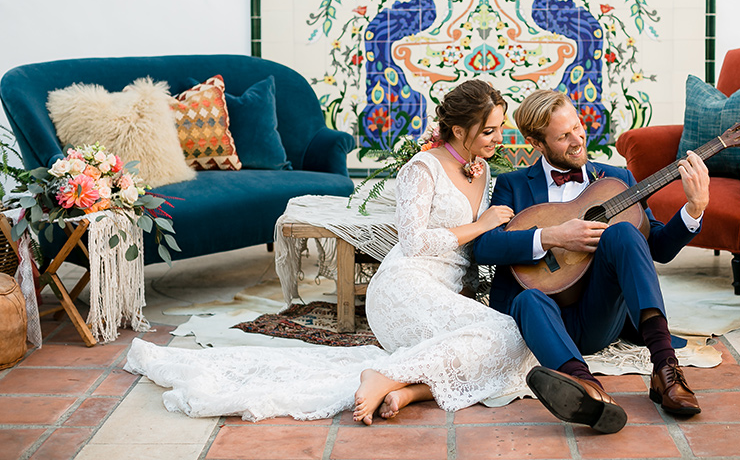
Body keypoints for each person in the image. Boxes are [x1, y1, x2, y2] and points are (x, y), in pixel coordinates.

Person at [125, 80, 537, 424]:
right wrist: (480, 225)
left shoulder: (481, 171)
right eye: (490, 131)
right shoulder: (421, 168)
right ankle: (390, 374)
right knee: (504, 335)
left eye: (499, 129)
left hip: (446, 291)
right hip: (405, 287)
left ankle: (404, 389)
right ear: (460, 130)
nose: (499, 139)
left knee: (514, 343)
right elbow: (413, 241)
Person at [473, 89, 709, 434]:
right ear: (536, 143)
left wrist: (694, 209)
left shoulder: (616, 179)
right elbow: (485, 246)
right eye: (563, 136)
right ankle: (588, 391)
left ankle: (665, 371)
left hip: (598, 317)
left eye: (578, 127)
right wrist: (553, 236)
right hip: (540, 317)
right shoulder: (512, 185)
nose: (578, 139)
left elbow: (657, 247)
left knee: (625, 234)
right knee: (527, 299)